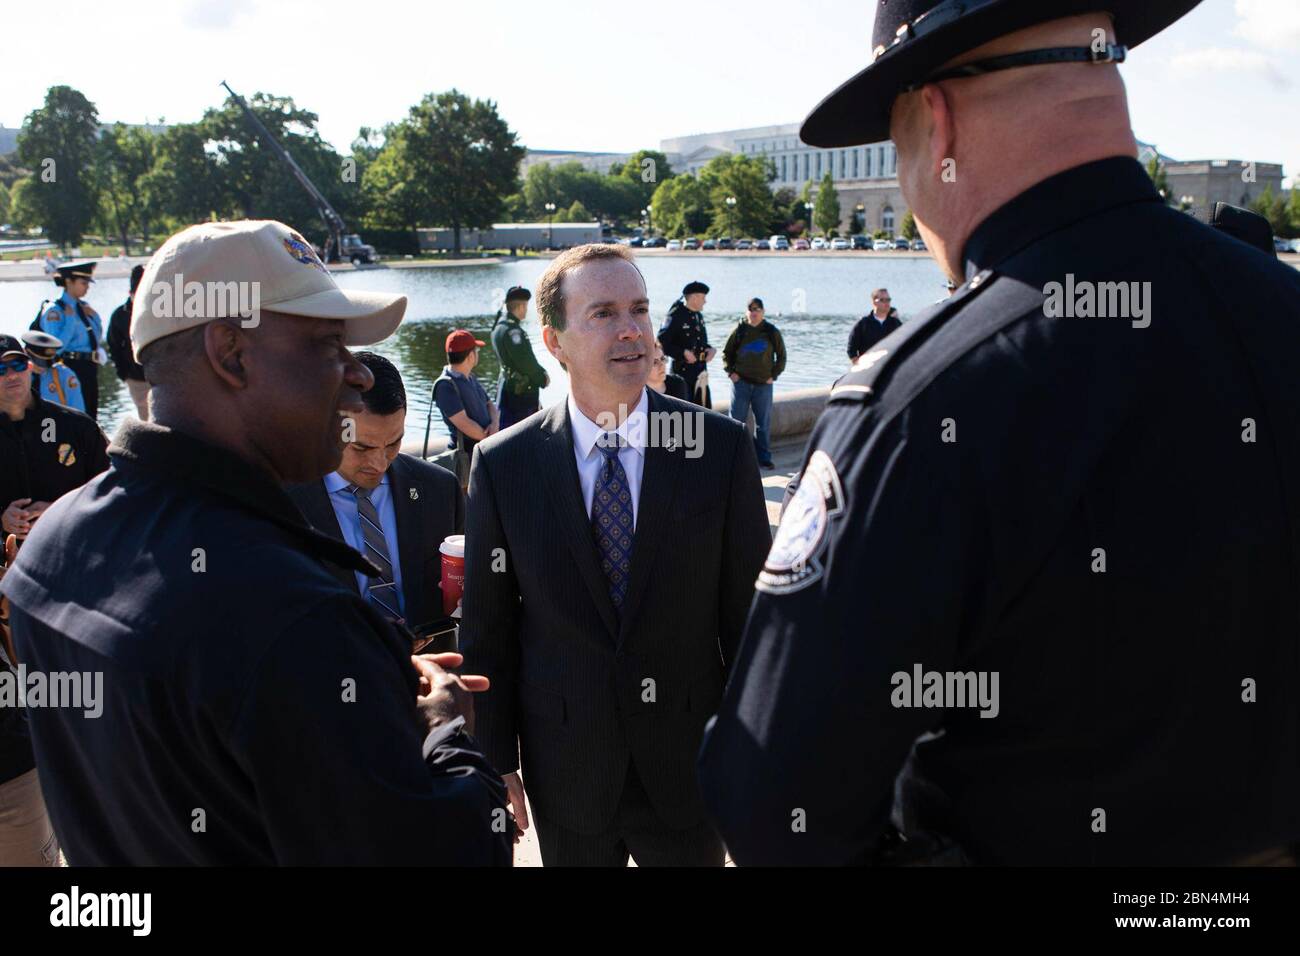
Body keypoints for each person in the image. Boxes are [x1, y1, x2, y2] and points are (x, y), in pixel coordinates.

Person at [701, 0, 1300, 867]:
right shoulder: (1280, 309)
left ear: (936, 126)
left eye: (898, 147)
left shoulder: (926, 400)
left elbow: (771, 802)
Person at [0, 219, 510, 865]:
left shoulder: (54, 544)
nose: (357, 377)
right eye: (329, 345)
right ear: (231, 353)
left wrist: (354, 690)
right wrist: (443, 733)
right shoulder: (291, 612)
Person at [460, 243, 770, 866]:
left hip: (689, 767)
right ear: (554, 341)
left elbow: (751, 620)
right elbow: (489, 626)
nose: (631, 329)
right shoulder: (503, 465)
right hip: (567, 769)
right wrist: (496, 764)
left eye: (639, 309)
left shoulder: (718, 449)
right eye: (602, 313)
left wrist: (759, 747)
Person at [288, 351, 464, 650]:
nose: (380, 462)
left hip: (432, 681)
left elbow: (480, 580)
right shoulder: (281, 502)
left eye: (393, 443)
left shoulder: (440, 489)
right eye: (361, 447)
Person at [0, 334, 109, 550]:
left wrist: (60, 512)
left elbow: (112, 489)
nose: (12, 375)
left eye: (18, 364)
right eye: (1, 369)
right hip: (9, 564)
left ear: (30, 366)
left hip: (75, 551)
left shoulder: (77, 426)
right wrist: (2, 517)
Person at [723, 297, 786, 469]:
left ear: (763, 312)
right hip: (741, 384)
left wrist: (774, 375)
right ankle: (733, 457)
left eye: (757, 309)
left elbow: (782, 356)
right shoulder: (739, 330)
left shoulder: (771, 332)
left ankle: (763, 458)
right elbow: (726, 353)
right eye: (751, 309)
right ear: (747, 312)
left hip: (763, 385)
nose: (754, 313)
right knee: (736, 422)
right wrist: (731, 372)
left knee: (763, 424)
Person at [432, 329, 499, 492]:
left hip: (483, 450)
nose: (477, 354)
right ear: (470, 356)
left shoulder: (470, 377)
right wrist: (489, 437)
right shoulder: (445, 385)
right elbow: (464, 423)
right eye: (476, 350)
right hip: (465, 460)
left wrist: (495, 423)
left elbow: (491, 405)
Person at [36, 262, 104, 420]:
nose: (87, 287)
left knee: (91, 416)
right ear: (68, 282)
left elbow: (96, 339)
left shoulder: (84, 307)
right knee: (74, 416)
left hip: (89, 367)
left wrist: (95, 317)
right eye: (83, 283)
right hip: (69, 366)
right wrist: (69, 320)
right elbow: (55, 347)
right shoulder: (55, 311)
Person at [491, 286, 549, 428]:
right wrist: (542, 377)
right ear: (521, 306)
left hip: (507, 388)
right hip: (521, 395)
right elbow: (526, 362)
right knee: (526, 435)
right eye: (526, 306)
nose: (527, 310)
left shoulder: (499, 327)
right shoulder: (513, 331)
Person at [657, 280, 714, 407]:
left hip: (700, 373)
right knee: (684, 414)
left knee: (703, 414)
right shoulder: (675, 315)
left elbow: (701, 343)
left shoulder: (698, 316)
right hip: (682, 374)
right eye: (703, 298)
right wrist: (683, 353)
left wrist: (710, 349)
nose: (705, 301)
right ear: (694, 297)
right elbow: (661, 343)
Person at [108, 263, 150, 420]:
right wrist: (123, 374)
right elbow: (114, 346)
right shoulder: (120, 315)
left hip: (162, 376)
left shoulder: (159, 310)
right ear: (130, 293)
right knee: (146, 421)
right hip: (136, 378)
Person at [846, 288, 901, 362]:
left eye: (888, 300)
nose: (887, 303)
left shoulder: (896, 324)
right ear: (874, 302)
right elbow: (851, 350)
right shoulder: (863, 324)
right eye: (882, 300)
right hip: (869, 367)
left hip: (890, 367)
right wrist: (860, 366)